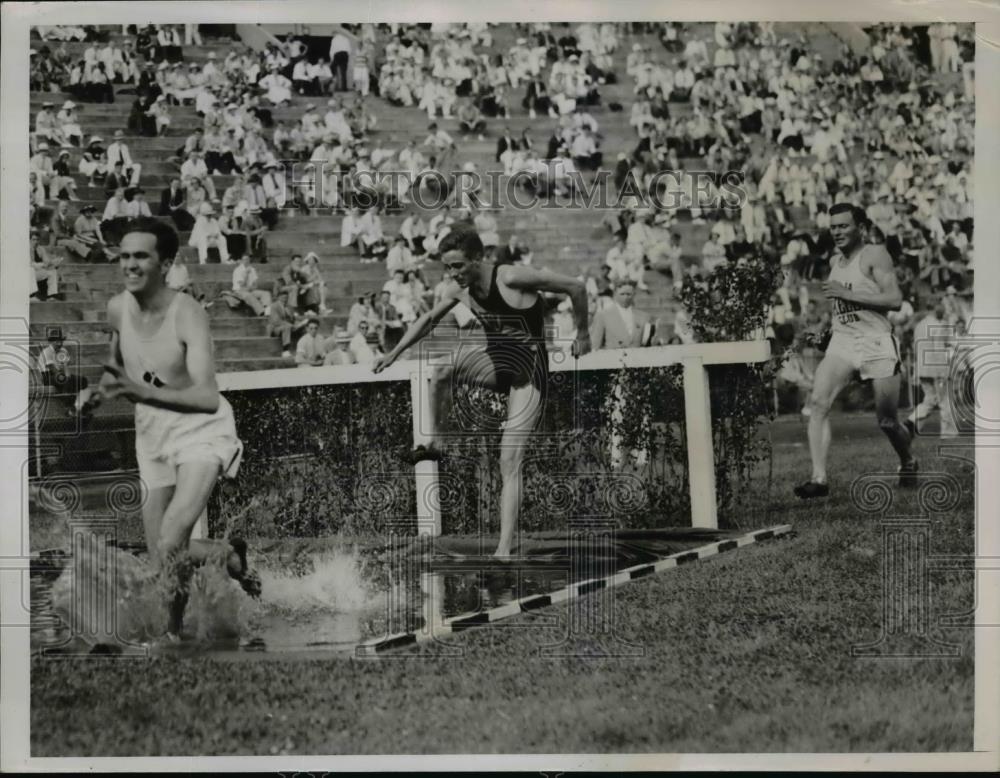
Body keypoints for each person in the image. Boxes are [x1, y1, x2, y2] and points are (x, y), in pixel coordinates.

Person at [79, 218, 260, 640]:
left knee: (173, 536)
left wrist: (135, 389)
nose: (130, 265)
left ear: (166, 262)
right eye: (124, 256)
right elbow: (116, 367)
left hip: (201, 429)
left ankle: (172, 637)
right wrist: (99, 392)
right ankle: (228, 558)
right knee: (162, 555)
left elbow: (206, 397)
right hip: (153, 433)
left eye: (141, 256)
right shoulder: (117, 308)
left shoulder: (188, 313)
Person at [373, 229, 590, 558]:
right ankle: (437, 442)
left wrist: (583, 332)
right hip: (496, 365)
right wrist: (395, 352)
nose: (453, 274)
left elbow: (576, 286)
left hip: (528, 375)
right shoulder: (457, 290)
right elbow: (428, 319)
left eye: (458, 266)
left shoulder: (512, 276)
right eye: (448, 268)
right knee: (441, 372)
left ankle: (503, 550)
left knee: (509, 461)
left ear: (478, 259)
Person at [795, 204, 916, 499]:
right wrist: (826, 332)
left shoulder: (875, 254)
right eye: (833, 226)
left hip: (876, 340)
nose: (836, 232)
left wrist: (847, 294)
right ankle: (819, 478)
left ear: (860, 228)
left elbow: (895, 299)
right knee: (819, 403)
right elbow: (842, 307)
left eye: (843, 226)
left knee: (886, 421)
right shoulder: (837, 261)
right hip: (844, 341)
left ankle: (908, 461)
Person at [590, 280, 653, 349]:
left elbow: (648, 344)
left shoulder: (643, 316)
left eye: (629, 294)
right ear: (615, 294)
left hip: (636, 358)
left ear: (634, 295)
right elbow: (595, 345)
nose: (625, 297)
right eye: (622, 294)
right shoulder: (603, 315)